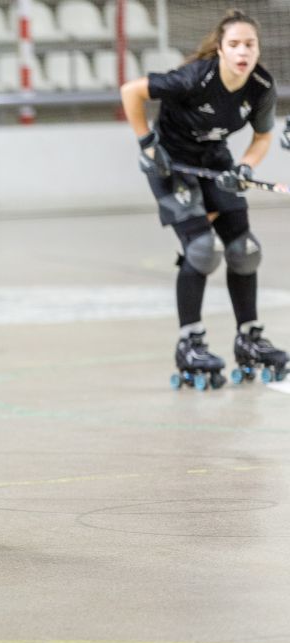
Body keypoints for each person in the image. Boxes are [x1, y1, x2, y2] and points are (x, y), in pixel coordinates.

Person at [120, 9, 287, 386]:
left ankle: (250, 339)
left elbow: (262, 138)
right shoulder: (195, 76)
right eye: (235, 44)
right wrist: (147, 144)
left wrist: (244, 167)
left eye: (250, 44)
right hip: (171, 165)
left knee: (244, 249)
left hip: (215, 162)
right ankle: (189, 343)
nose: (243, 52)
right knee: (201, 249)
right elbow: (131, 91)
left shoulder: (259, 85)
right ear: (221, 49)